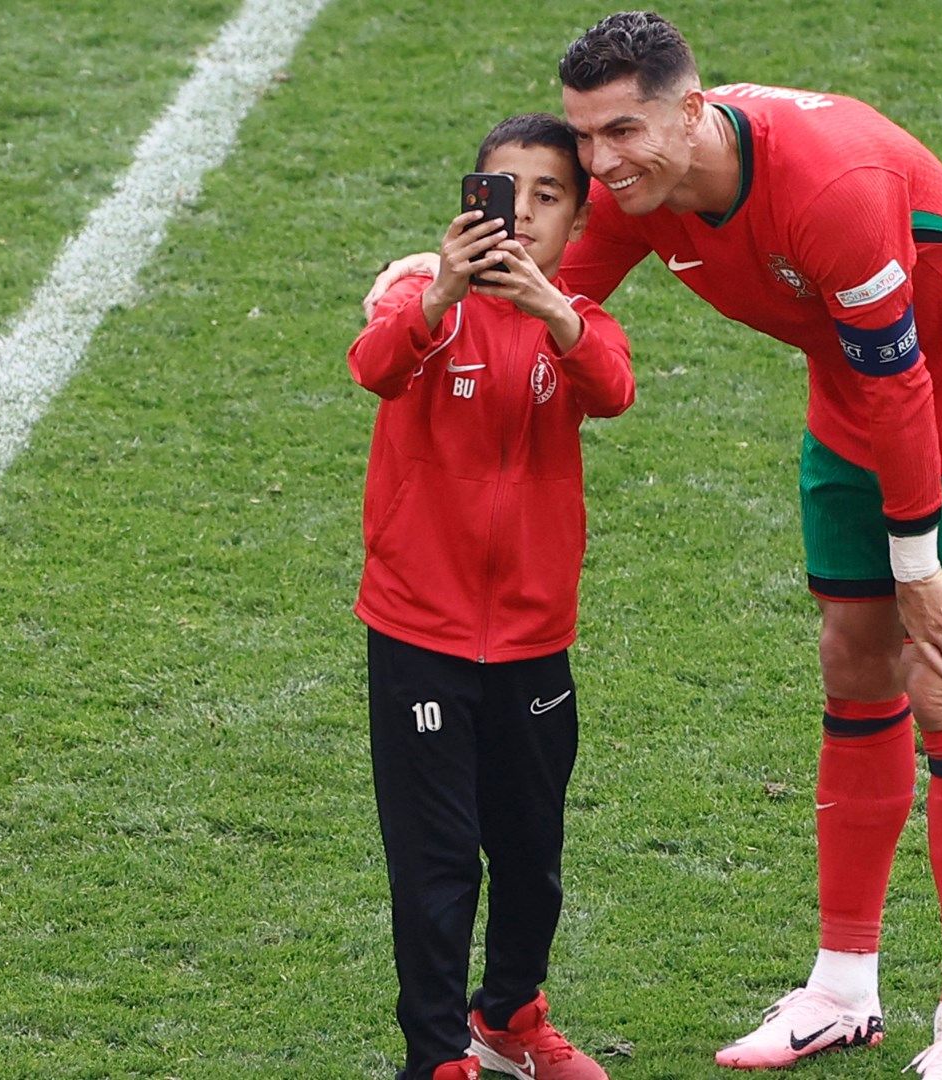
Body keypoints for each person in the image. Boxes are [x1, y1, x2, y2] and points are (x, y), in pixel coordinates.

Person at [364, 12, 942, 1079]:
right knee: (853, 661)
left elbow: (906, 382)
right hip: (853, 405)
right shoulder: (641, 191)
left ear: (694, 112)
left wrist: (918, 565)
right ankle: (843, 988)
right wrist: (428, 281)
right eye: (584, 136)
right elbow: (549, 296)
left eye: (622, 132)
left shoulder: (832, 188)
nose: (599, 164)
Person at [349, 112, 635, 1080]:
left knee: (530, 851)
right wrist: (439, 291)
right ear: (473, 202)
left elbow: (614, 388)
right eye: (508, 194)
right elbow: (374, 367)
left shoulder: (576, 320)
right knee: (435, 861)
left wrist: (554, 311)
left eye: (550, 198)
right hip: (419, 634)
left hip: (531, 638)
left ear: (577, 221)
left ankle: (508, 1016)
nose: (527, 215)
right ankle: (437, 1056)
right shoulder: (420, 298)